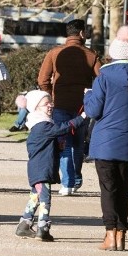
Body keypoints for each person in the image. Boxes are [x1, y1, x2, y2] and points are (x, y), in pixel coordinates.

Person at [84, 37, 128, 251]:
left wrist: (87, 97)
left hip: (105, 140)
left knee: (108, 189)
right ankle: (122, 234)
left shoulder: (103, 77)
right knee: (124, 188)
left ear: (112, 54)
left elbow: (94, 111)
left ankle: (110, 234)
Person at [38, 19, 101, 195]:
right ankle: (76, 179)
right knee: (78, 144)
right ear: (81, 33)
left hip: (60, 104)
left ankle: (67, 183)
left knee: (63, 143)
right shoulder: (91, 55)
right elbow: (102, 79)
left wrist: (51, 95)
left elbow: (42, 79)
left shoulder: (54, 53)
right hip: (82, 106)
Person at [15, 90, 84, 242]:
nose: (51, 106)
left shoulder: (43, 125)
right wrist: (81, 118)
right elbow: (62, 128)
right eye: (46, 103)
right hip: (41, 168)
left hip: (41, 168)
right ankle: (43, 227)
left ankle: (24, 225)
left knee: (36, 195)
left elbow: (49, 142)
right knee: (45, 197)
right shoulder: (41, 125)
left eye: (51, 102)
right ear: (36, 107)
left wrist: (58, 146)